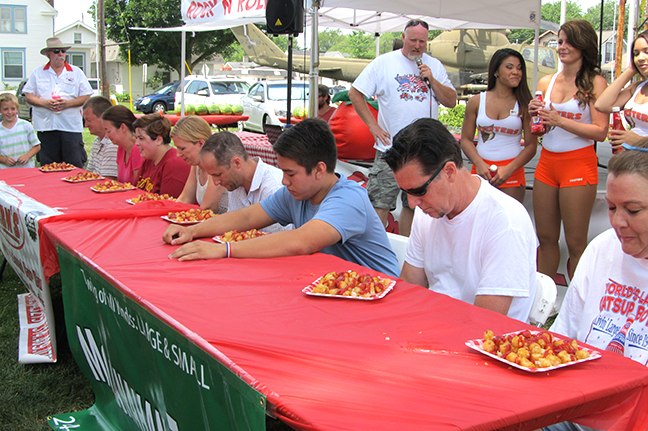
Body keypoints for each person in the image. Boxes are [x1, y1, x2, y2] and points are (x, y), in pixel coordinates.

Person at [163, 118, 400, 278]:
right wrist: (193, 230)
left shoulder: (348, 199)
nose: (284, 181)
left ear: (319, 169)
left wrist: (223, 249)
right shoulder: (295, 194)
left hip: (379, 295)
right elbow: (246, 217)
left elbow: (300, 241)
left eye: (290, 174)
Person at [383, 118, 536, 322]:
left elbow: (485, 325)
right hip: (436, 327)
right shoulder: (426, 210)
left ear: (449, 171)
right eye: (405, 192)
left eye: (418, 190)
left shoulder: (505, 221)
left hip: (482, 341)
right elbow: (410, 286)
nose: (411, 203)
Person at [543, 141, 648, 430]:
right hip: (575, 407)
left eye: (633, 210)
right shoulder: (603, 247)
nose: (618, 222)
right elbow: (561, 339)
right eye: (612, 208)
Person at [349, 19, 457, 237]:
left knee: (415, 205)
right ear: (404, 38)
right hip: (390, 149)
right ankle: (375, 252)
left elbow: (451, 100)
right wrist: (374, 127)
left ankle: (408, 253)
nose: (417, 46)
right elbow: (355, 93)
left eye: (422, 42)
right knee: (379, 202)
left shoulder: (433, 66)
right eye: (413, 40)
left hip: (423, 153)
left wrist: (432, 80)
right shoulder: (384, 63)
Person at [528, 20, 608, 281]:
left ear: (583, 44)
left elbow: (600, 131)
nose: (561, 47)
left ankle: (578, 301)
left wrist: (560, 120)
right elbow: (538, 130)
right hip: (547, 162)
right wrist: (535, 118)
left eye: (568, 41)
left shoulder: (595, 82)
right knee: (546, 237)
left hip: (578, 163)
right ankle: (543, 302)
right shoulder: (546, 80)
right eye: (559, 41)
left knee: (575, 242)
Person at [460, 48, 537, 204]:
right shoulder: (476, 101)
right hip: (481, 172)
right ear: (496, 70)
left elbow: (531, 146)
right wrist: (479, 163)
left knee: (509, 224)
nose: (516, 72)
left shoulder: (525, 104)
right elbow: (466, 140)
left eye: (519, 68)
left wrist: (509, 169)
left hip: (512, 174)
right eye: (509, 67)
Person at [198, 131, 289, 233]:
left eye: (218, 174)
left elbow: (278, 242)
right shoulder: (235, 182)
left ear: (237, 163)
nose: (216, 182)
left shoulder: (273, 187)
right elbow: (232, 227)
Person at [22, 37, 93, 167]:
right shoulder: (37, 72)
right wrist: (45, 103)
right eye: (56, 51)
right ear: (48, 54)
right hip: (46, 128)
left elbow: (86, 96)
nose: (60, 54)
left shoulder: (76, 72)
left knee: (74, 167)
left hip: (70, 127)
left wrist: (67, 104)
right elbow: (28, 96)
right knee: (49, 168)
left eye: (63, 51)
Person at [595, 29, 648, 151]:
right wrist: (630, 70)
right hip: (631, 162)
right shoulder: (637, 87)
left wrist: (640, 141)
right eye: (636, 54)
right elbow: (602, 105)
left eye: (647, 51)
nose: (640, 57)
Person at [171, 116, 228, 213]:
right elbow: (185, 199)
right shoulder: (196, 165)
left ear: (201, 143)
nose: (178, 154)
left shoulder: (219, 163)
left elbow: (208, 208)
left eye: (182, 148)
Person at [133, 113, 190, 198]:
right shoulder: (149, 160)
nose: (136, 143)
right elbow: (135, 193)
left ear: (159, 140)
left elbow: (168, 204)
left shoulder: (174, 164)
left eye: (141, 138)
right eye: (136, 138)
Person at [102, 105, 144, 184]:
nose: (106, 136)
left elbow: (138, 189)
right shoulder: (121, 148)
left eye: (108, 131)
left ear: (122, 127)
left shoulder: (137, 149)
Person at [0, 93, 40, 168]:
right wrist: (4, 160)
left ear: (17, 108)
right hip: (5, 171)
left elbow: (37, 146)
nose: (9, 112)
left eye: (13, 108)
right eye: (5, 109)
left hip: (26, 169)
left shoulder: (26, 125)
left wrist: (27, 156)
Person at [82, 96, 118, 179]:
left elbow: (107, 182)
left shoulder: (113, 144)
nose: (86, 125)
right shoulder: (97, 141)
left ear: (103, 117)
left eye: (89, 120)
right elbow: (89, 174)